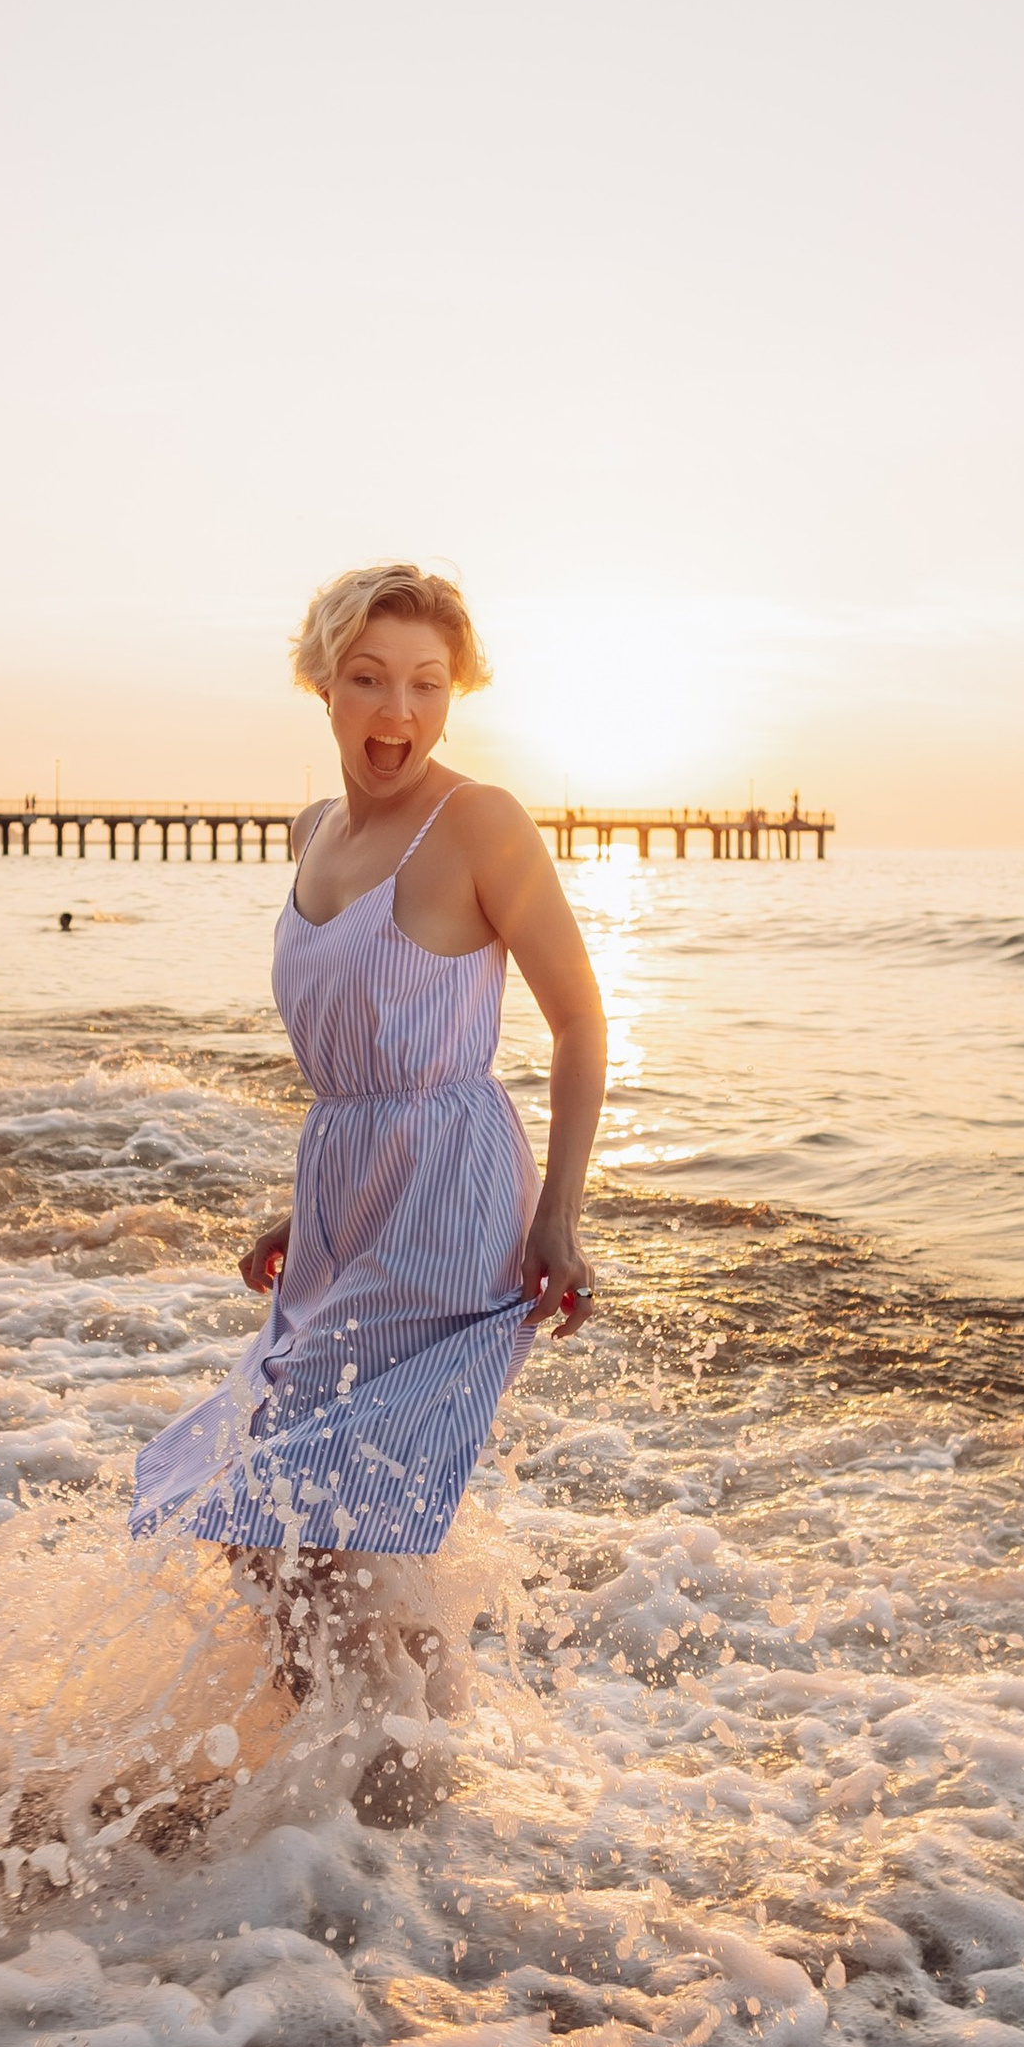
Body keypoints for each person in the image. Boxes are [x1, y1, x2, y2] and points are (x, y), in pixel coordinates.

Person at [131, 565, 605, 1679]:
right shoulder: (313, 832)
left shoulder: (480, 824)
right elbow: (352, 1053)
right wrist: (304, 1208)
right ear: (323, 685)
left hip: (448, 1189)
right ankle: (354, 1780)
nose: (399, 714)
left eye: (428, 686)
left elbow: (582, 1026)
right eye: (370, 679)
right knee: (270, 1528)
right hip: (346, 1190)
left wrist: (560, 1219)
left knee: (313, 1528)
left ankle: (391, 1792)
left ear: (455, 695)